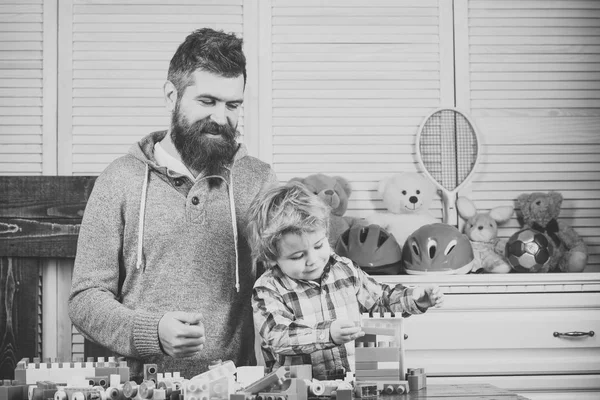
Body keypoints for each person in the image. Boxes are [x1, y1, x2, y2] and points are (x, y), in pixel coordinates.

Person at [68, 28, 277, 381]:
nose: (221, 118)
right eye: (207, 101)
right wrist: (153, 332)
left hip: (233, 386)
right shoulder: (119, 179)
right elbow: (84, 298)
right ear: (171, 95)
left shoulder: (258, 180)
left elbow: (287, 282)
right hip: (137, 386)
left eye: (233, 105)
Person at [247, 182, 444, 380]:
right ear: (271, 257)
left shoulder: (345, 269)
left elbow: (381, 300)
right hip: (301, 390)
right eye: (298, 256)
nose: (313, 260)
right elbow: (277, 336)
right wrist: (327, 334)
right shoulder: (268, 289)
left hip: (353, 385)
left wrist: (414, 299)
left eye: (318, 245)